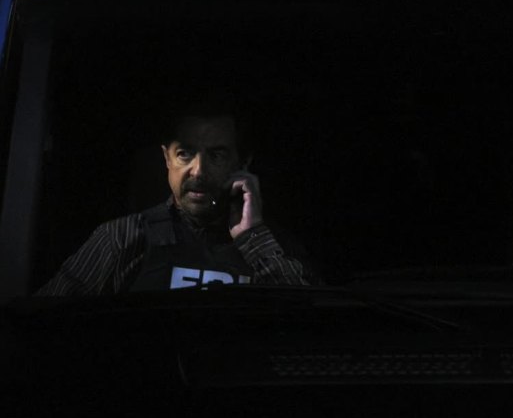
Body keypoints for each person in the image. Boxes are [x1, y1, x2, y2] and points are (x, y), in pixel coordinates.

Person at [37, 98, 311, 295]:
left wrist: (254, 239)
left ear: (243, 163)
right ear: (167, 159)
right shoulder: (122, 239)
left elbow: (309, 328)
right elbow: (42, 322)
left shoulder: (276, 247)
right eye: (184, 154)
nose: (198, 171)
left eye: (216, 155)